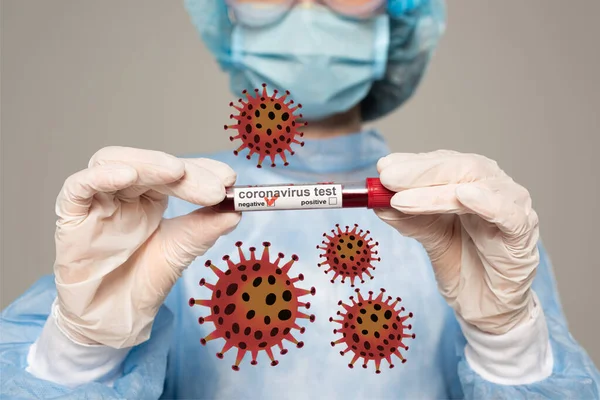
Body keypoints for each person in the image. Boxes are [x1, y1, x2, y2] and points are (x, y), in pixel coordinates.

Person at [1, 0, 599, 398]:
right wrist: (79, 351)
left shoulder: (471, 222)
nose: (306, 4)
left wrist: (508, 343)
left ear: (398, 13)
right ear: (227, 12)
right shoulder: (147, 216)